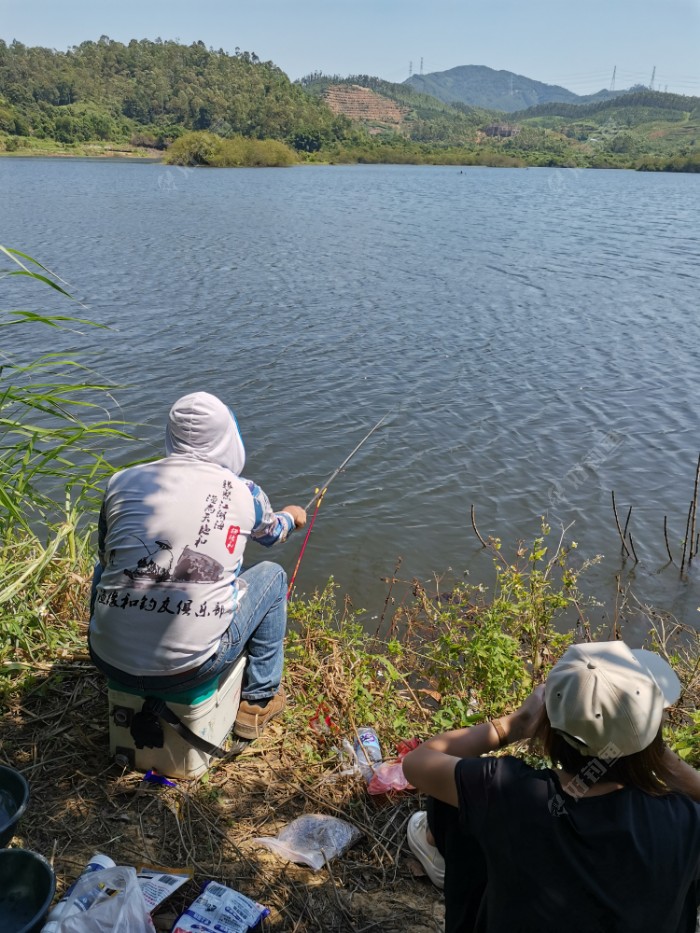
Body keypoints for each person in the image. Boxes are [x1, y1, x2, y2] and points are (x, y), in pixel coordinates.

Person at [402, 640, 700, 933]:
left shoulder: (509, 791)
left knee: (459, 791)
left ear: (550, 727)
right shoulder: (683, 821)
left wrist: (515, 724)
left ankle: (436, 850)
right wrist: (666, 762)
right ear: (650, 738)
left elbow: (418, 762)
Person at [88, 391, 306, 740]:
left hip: (106, 658)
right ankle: (259, 699)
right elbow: (272, 534)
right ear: (227, 437)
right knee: (272, 577)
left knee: (106, 568)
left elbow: (105, 554)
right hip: (193, 668)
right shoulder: (244, 490)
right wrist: (293, 516)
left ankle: (122, 640)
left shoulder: (121, 482)